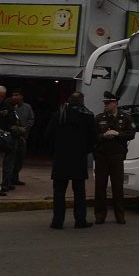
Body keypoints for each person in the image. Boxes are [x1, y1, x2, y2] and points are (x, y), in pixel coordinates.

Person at [46, 92, 95, 229]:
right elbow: (93, 138)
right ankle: (80, 220)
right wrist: (85, 151)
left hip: (61, 158)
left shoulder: (59, 114)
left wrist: (55, 152)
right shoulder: (88, 115)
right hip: (78, 158)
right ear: (82, 101)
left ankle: (57, 221)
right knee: (79, 191)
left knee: (59, 191)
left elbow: (48, 135)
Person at [93, 91, 135, 225]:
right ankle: (100, 215)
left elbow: (131, 134)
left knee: (118, 187)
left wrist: (118, 134)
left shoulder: (125, 117)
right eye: (104, 103)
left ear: (115, 103)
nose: (105, 105)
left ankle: (120, 215)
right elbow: (93, 136)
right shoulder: (99, 118)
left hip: (117, 156)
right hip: (102, 156)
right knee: (100, 186)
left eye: (108, 103)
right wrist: (103, 136)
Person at [2, 90, 34, 189]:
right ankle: (7, 181)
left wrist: (25, 129)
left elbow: (31, 119)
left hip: (22, 137)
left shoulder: (27, 107)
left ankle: (15, 178)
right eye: (13, 95)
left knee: (19, 159)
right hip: (11, 137)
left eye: (17, 95)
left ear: (22, 96)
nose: (15, 97)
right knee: (10, 160)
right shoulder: (8, 107)